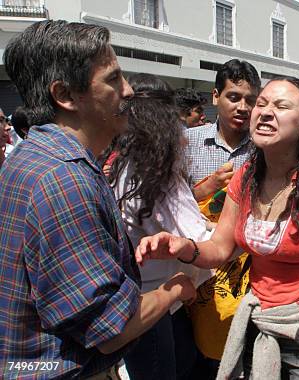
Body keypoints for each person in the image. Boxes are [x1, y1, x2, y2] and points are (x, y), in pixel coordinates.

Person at [136, 76, 299, 378]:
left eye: (282, 106)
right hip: (260, 327)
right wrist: (184, 248)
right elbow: (220, 249)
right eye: (261, 104)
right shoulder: (245, 177)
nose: (265, 111)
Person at [0, 20, 195, 379]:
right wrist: (175, 288)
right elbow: (110, 327)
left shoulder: (35, 158)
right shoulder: (65, 179)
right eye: (113, 79)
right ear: (66, 95)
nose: (129, 90)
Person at [106, 73, 214, 380]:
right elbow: (200, 240)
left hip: (143, 299)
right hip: (157, 303)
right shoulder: (158, 173)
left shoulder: (123, 163)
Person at [184, 58, 260, 376]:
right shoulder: (187, 143)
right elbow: (169, 202)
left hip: (247, 269)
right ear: (216, 96)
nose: (242, 107)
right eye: (233, 97)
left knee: (244, 354)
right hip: (195, 268)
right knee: (198, 357)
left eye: (250, 100)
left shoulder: (264, 147)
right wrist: (206, 188)